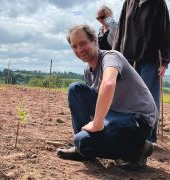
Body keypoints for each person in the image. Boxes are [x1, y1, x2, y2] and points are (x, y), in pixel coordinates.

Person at [57, 24, 158, 171]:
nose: (79, 50)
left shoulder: (111, 57)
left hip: (138, 120)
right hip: (114, 114)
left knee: (84, 143)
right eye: (74, 46)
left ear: (95, 41)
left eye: (83, 43)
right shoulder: (88, 70)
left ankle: (140, 149)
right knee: (76, 89)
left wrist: (97, 123)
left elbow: (109, 83)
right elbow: (94, 100)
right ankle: (82, 149)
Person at [113, 0, 170, 143]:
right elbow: (120, 29)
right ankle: (131, 132)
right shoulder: (129, 2)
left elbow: (165, 32)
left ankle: (148, 137)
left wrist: (164, 60)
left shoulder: (159, 3)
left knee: (148, 98)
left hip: (150, 58)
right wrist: (114, 54)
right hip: (128, 57)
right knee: (129, 96)